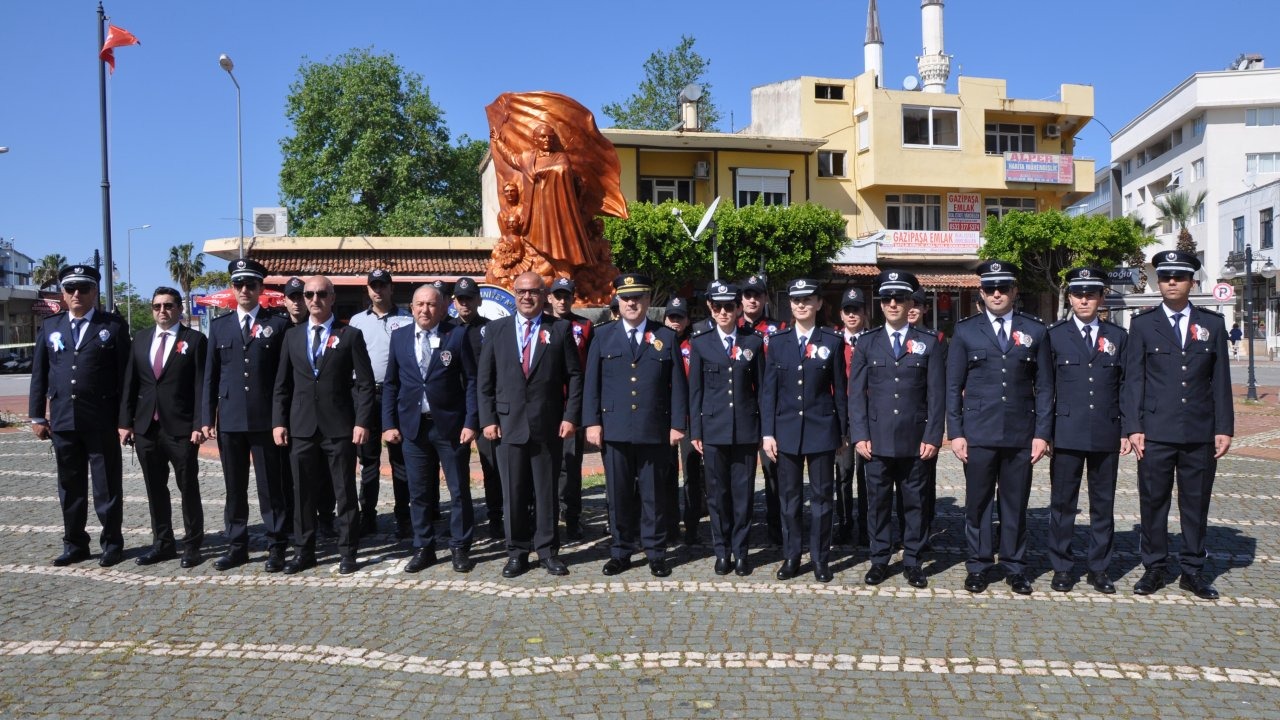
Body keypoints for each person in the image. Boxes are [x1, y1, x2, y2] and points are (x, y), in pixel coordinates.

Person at [1122, 250, 1233, 600]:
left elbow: (1220, 380)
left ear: (1191, 282)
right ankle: (1154, 567)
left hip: (1199, 430)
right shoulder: (1142, 324)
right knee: (1153, 501)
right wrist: (1133, 426)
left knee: (1195, 502)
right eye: (1165, 276)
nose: (1171, 282)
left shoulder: (1212, 324)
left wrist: (1224, 427)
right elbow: (1133, 380)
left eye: (1179, 277)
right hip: (1155, 431)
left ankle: (1193, 570)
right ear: (1158, 282)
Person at [946, 261, 1052, 595]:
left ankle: (1014, 566)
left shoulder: (1035, 330)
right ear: (980, 292)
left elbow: (1046, 386)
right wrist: (956, 433)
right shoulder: (965, 331)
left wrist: (1042, 434)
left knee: (1015, 503)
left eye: (1003, 288)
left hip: (1020, 433)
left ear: (1014, 292)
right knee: (977, 503)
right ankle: (978, 565)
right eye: (990, 288)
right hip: (978, 433)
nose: (996, 293)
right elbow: (953, 386)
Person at [478, 272, 583, 577]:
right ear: (514, 294)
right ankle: (517, 552)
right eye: (522, 292)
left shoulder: (560, 329)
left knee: (546, 492)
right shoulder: (496, 330)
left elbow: (574, 376)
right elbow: (485, 380)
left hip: (547, 425)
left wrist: (570, 416)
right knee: (514, 492)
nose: (527, 297)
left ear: (544, 295)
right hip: (507, 425)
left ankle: (548, 550)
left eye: (534, 291)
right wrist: (488, 419)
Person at [583, 273, 688, 577]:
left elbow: (677, 385)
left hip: (653, 428)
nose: (631, 303)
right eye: (626, 298)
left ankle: (655, 552)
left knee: (654, 495)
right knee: (618, 494)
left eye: (638, 297)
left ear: (647, 300)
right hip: (614, 428)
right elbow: (593, 383)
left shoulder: (665, 336)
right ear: (617, 300)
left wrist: (677, 424)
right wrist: (592, 422)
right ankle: (621, 551)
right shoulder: (603, 335)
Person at [272, 276, 376, 575]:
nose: (314, 299)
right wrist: (279, 421)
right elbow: (282, 385)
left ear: (332, 298)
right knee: (302, 493)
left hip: (339, 427)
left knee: (344, 493)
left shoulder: (350, 335)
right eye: (309, 294)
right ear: (303, 298)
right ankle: (304, 551)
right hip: (302, 427)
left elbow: (366, 384)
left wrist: (362, 421)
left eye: (321, 294)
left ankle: (347, 551)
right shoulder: (292, 337)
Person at [848, 271, 946, 588]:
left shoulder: (928, 343)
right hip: (875, 441)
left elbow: (936, 395)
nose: (893, 303)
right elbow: (856, 394)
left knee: (915, 503)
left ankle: (913, 561)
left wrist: (933, 436)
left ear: (909, 302)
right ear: (880, 303)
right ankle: (879, 560)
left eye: (899, 298)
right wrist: (860, 434)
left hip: (915, 440)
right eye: (887, 298)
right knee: (876, 504)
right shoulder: (867, 342)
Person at [29, 264, 130, 567]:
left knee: (106, 487)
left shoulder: (112, 326)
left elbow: (126, 378)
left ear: (94, 292)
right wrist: (36, 416)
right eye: (70, 289)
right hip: (63, 419)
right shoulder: (51, 327)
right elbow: (40, 373)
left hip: (101, 420)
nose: (76, 294)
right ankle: (74, 544)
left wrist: (126, 421)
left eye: (83, 288)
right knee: (70, 487)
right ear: (62, 293)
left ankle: (112, 543)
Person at [202, 258, 292, 572]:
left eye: (250, 284)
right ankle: (236, 546)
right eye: (238, 284)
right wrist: (206, 417)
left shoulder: (278, 324)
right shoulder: (219, 326)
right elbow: (210, 377)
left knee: (271, 488)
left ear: (260, 287)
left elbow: (284, 378)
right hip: (229, 419)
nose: (244, 290)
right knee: (234, 489)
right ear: (233, 287)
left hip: (265, 419)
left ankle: (277, 546)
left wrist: (282, 418)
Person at [383, 284, 479, 574]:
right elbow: (391, 383)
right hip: (413, 427)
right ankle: (424, 547)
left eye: (432, 304)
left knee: (458, 490)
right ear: (411, 308)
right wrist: (388, 424)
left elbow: (472, 381)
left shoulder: (457, 335)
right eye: (420, 304)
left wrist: (471, 421)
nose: (425, 310)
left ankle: (460, 547)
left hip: (450, 426)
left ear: (442, 307)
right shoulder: (399, 337)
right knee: (419, 492)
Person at [1045, 267, 1129, 594]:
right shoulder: (1054, 336)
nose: (1084, 299)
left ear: (1101, 297)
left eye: (1090, 294)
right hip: (1065, 432)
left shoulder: (1119, 337)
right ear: (1069, 297)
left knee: (1102, 505)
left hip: (1106, 431)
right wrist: (1045, 431)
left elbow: (1126, 386)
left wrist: (1127, 429)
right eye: (1078, 294)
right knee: (1063, 505)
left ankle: (1099, 568)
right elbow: (1045, 386)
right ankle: (1062, 567)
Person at [761, 278, 847, 583]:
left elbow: (840, 391)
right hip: (785, 431)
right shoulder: (778, 341)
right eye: (796, 300)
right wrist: (768, 432)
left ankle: (821, 558)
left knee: (824, 499)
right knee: (790, 499)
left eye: (808, 299)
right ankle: (792, 556)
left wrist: (842, 431)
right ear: (790, 304)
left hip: (822, 429)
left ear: (819, 303)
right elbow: (769, 391)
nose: (801, 305)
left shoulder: (832, 341)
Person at [118, 287, 207, 568]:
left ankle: (192, 544)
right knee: (155, 488)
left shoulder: (194, 340)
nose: (162, 311)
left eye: (168, 306)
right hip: (146, 427)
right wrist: (125, 422)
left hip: (181, 428)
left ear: (179, 309)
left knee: (187, 487)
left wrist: (199, 423)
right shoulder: (141, 339)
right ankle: (163, 543)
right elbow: (130, 383)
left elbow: (200, 386)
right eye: (157, 306)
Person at [687, 281, 765, 576]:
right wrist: (696, 431)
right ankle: (722, 552)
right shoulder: (701, 342)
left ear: (738, 308)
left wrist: (763, 429)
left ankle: (742, 552)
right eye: (717, 307)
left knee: (743, 495)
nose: (723, 312)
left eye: (729, 306)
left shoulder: (753, 342)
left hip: (745, 430)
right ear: (710, 307)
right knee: (717, 496)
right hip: (713, 430)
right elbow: (696, 391)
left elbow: (762, 390)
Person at [347, 268, 413, 539]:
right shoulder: (356, 321)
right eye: (373, 286)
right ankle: (369, 515)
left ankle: (404, 517)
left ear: (391, 288)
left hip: (396, 394)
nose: (378, 290)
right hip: (365, 396)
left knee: (400, 460)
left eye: (382, 285)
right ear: (367, 289)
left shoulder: (407, 319)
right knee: (368, 460)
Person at [489, 122, 596, 268]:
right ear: (535, 139)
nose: (547, 140)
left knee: (557, 241)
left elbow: (563, 169)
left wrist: (541, 173)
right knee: (535, 242)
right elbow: (511, 157)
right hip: (534, 210)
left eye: (550, 138)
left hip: (556, 209)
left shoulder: (560, 157)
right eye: (543, 137)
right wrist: (498, 142)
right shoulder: (527, 157)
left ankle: (560, 267)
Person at [452, 276, 503, 540]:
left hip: (484, 407)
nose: (465, 303)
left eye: (469, 298)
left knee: (491, 467)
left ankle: (496, 517)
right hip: (454, 408)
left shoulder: (492, 329)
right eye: (460, 299)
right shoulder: (447, 329)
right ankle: (459, 521)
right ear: (454, 301)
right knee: (454, 469)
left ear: (478, 300)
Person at [739, 274, 788, 548]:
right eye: (747, 295)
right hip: (743, 409)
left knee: (774, 472)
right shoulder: (731, 328)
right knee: (742, 475)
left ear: (765, 298)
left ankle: (775, 527)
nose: (752, 299)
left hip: (772, 408)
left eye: (757, 294)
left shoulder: (779, 328)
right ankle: (742, 530)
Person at [547, 276, 593, 540]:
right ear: (549, 297)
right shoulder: (541, 325)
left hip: (572, 406)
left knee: (571, 465)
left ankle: (573, 516)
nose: (562, 300)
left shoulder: (585, 326)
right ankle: (547, 516)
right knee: (546, 466)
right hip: (545, 405)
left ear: (573, 297)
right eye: (557, 295)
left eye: (566, 295)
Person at [664, 296, 704, 544]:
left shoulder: (695, 345)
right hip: (664, 418)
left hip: (690, 417)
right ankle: (669, 526)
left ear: (688, 320)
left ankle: (691, 527)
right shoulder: (656, 343)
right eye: (671, 317)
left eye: (680, 317)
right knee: (666, 474)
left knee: (692, 473)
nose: (675, 322)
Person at [832, 288, 869, 547]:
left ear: (865, 313)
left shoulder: (873, 340)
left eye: (857, 309)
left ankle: (867, 526)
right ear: (841, 314)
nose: (852, 314)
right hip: (842, 416)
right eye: (848, 310)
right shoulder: (833, 341)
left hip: (868, 417)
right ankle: (844, 523)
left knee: (867, 476)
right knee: (843, 473)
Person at [906, 289, 939, 548]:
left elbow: (941, 386)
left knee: (924, 484)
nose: (913, 309)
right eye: (911, 304)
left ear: (926, 310)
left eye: (919, 305)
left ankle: (923, 532)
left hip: (925, 423)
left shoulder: (936, 339)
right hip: (899, 424)